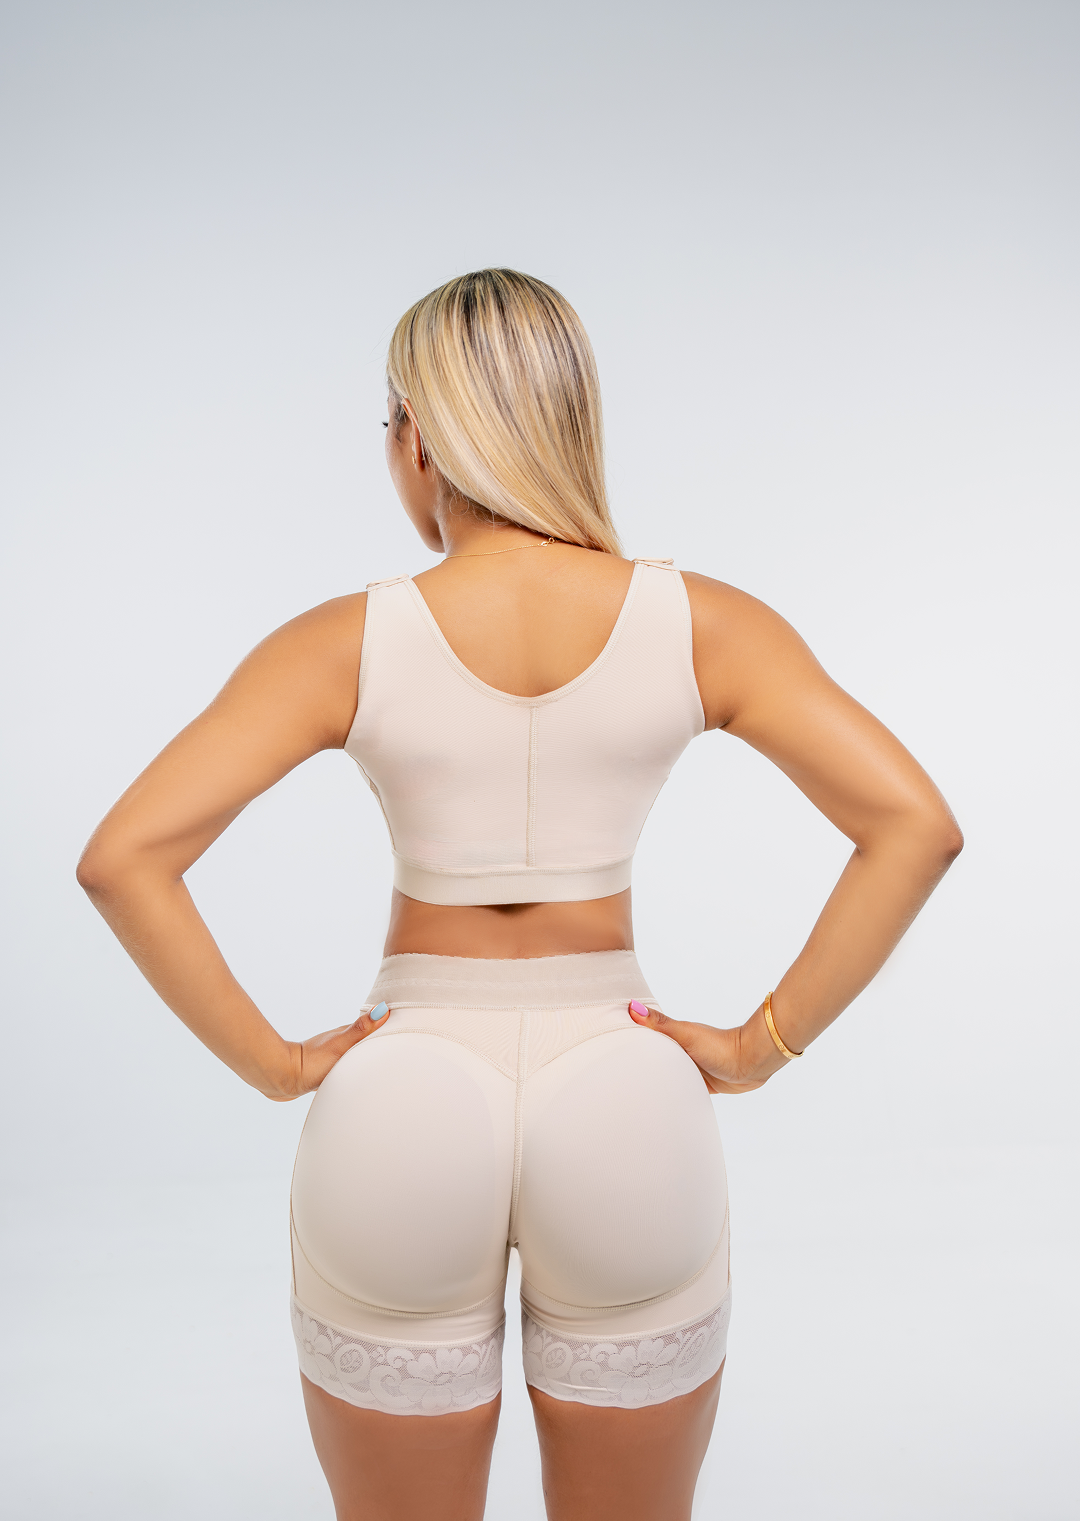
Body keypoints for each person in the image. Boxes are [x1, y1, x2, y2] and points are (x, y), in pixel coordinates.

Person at [77, 268, 962, 1521]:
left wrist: (280, 1067)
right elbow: (915, 826)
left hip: (401, 1094)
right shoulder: (703, 623)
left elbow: (123, 857)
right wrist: (758, 1046)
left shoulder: (344, 640)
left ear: (420, 438)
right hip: (626, 1091)